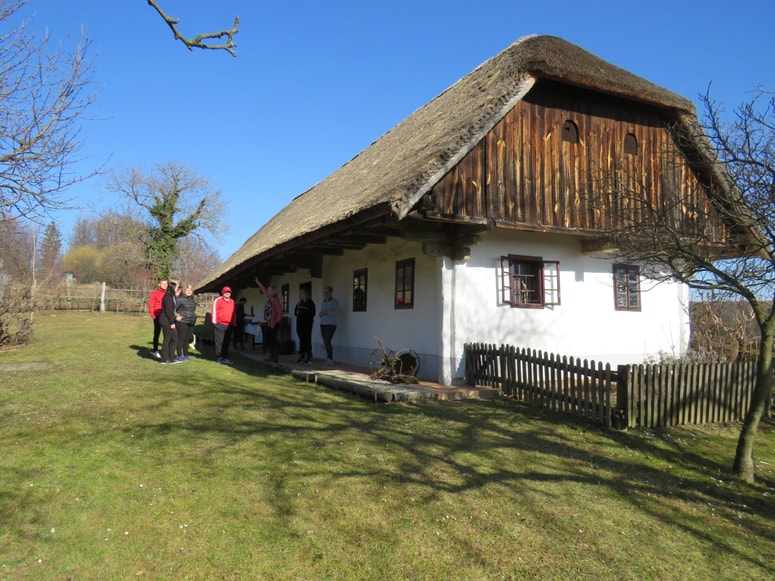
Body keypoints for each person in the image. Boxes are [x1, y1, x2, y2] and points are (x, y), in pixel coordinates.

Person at [255, 277, 283, 363]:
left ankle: (275, 357)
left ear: (273, 291)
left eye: (270, 290)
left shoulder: (275, 300)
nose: (268, 291)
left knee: (273, 341)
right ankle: (272, 356)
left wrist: (277, 321)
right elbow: (264, 291)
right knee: (268, 340)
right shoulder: (269, 299)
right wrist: (259, 283)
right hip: (268, 323)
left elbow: (280, 312)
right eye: (268, 290)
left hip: (274, 323)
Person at [211, 286, 236, 364]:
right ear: (223, 292)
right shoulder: (218, 300)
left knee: (227, 341)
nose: (227, 293)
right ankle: (219, 357)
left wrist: (234, 322)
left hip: (229, 325)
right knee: (220, 341)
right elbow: (214, 311)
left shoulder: (232, 302)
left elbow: (234, 313)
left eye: (229, 292)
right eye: (226, 292)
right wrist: (215, 322)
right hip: (220, 324)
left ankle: (225, 357)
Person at [158, 279, 180, 365]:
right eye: (176, 287)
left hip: (169, 319)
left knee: (174, 338)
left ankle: (171, 357)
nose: (177, 289)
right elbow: (168, 311)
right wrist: (172, 323)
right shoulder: (167, 297)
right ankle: (164, 359)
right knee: (167, 339)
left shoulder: (172, 296)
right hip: (166, 320)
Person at [175, 284, 197, 362]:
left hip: (191, 321)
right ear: (184, 291)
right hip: (182, 321)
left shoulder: (192, 299)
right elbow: (173, 309)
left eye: (190, 290)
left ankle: (186, 354)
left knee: (187, 339)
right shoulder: (180, 299)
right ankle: (179, 355)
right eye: (187, 290)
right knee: (181, 338)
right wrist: (177, 316)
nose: (189, 291)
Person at [293, 289, 316, 364]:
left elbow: (312, 313)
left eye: (302, 293)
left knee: (307, 340)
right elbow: (295, 312)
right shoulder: (299, 303)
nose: (301, 295)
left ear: (306, 294)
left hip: (307, 325)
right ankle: (302, 356)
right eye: (300, 293)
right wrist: (298, 313)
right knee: (301, 340)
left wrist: (304, 315)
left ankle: (309, 356)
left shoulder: (310, 303)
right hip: (299, 324)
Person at [148, 278, 168, 358]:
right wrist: (153, 315)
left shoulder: (168, 294)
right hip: (157, 315)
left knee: (166, 334)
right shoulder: (154, 294)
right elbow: (151, 305)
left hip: (166, 316)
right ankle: (155, 350)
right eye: (163, 284)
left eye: (166, 284)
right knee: (157, 333)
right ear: (159, 284)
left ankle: (165, 350)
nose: (165, 285)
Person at [319, 285, 339, 365]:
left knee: (327, 340)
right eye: (324, 292)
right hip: (323, 323)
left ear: (331, 292)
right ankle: (328, 357)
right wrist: (321, 314)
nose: (325, 294)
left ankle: (330, 358)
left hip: (331, 324)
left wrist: (327, 313)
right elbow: (321, 312)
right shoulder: (323, 302)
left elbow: (337, 311)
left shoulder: (334, 301)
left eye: (327, 292)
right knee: (325, 341)